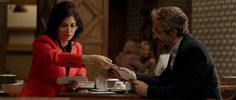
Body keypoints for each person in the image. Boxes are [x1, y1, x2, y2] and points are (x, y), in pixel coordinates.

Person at [115, 6, 222, 99]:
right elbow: (163, 80)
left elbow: (182, 91)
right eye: (153, 32)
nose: (154, 37)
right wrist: (133, 75)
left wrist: (148, 91)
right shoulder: (180, 47)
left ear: (173, 33)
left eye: (158, 32)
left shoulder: (193, 50)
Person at [18, 1, 113, 97]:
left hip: (63, 96)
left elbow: (81, 73)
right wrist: (92, 58)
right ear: (55, 26)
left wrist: (76, 84)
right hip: (38, 96)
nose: (69, 31)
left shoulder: (77, 47)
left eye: (72, 26)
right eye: (64, 26)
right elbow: (57, 57)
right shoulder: (42, 42)